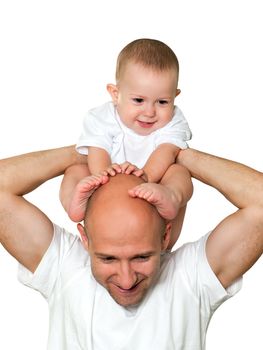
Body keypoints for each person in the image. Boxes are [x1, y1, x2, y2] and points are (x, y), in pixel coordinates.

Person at [0, 145, 262, 349]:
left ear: (164, 237)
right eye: (108, 258)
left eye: (141, 256)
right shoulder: (64, 267)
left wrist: (180, 154)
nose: (126, 279)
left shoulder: (191, 278)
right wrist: (82, 151)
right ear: (85, 239)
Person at [60, 38, 192, 251]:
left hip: (156, 219)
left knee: (178, 171)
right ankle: (74, 204)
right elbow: (97, 149)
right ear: (115, 94)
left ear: (175, 97)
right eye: (139, 100)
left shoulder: (175, 120)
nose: (149, 112)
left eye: (162, 102)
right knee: (76, 170)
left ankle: (172, 197)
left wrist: (145, 177)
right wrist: (104, 175)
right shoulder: (101, 117)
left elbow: (166, 151)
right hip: (106, 204)